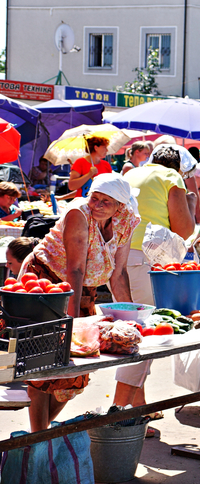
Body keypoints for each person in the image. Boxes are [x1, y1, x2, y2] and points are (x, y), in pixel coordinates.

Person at [20, 173, 140, 432]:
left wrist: (133, 318)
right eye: (94, 198)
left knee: (76, 373)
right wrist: (71, 324)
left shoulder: (126, 221)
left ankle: (41, 435)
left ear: (120, 205)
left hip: (81, 288)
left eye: (105, 201)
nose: (96, 205)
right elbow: (75, 269)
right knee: (45, 363)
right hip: (47, 283)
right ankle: (37, 439)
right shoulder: (78, 214)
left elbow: (118, 274)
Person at [117, 146, 196, 413]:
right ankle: (120, 409)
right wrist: (192, 203)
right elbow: (184, 229)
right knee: (141, 335)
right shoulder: (172, 178)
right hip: (144, 259)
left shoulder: (132, 174)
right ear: (177, 167)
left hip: (119, 258)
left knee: (132, 330)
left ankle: (139, 406)